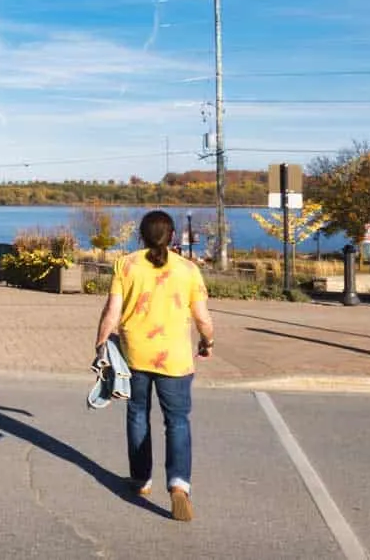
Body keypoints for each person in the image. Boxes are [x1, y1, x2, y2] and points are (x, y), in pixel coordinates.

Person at [93, 210, 215, 522]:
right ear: (172, 236)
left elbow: (112, 310)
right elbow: (202, 318)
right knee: (177, 421)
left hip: (134, 354)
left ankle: (141, 479)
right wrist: (207, 342)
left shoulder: (127, 264)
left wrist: (100, 344)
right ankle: (178, 484)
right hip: (174, 357)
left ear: (141, 236)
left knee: (137, 414)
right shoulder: (188, 269)